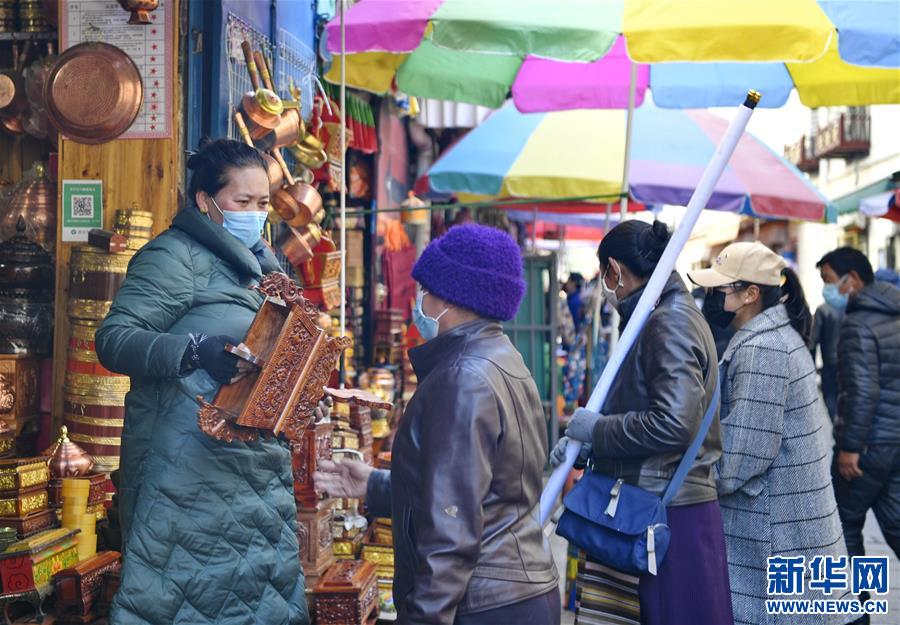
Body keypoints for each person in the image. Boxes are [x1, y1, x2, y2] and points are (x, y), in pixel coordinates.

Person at [96, 139, 308, 625]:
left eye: (262, 204)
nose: (254, 215)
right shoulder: (175, 257)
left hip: (256, 474)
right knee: (180, 602)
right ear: (204, 201)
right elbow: (113, 339)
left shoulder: (262, 269)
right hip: (184, 476)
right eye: (242, 202)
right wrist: (194, 351)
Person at [315, 224, 560, 625]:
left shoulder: (464, 377)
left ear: (450, 296)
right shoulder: (502, 357)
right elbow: (484, 490)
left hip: (483, 602)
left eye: (425, 290)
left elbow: (452, 533)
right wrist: (374, 484)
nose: (420, 300)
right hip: (516, 591)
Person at [551, 220, 733, 625]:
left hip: (667, 513)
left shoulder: (669, 321)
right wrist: (593, 446)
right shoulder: (658, 315)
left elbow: (673, 423)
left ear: (613, 270)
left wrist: (596, 431)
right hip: (653, 505)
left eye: (604, 275)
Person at [690, 242, 855, 625]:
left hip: (775, 536)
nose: (712, 297)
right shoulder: (774, 335)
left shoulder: (763, 349)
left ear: (750, 295)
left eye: (721, 289)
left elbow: (738, 460)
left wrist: (685, 474)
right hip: (788, 532)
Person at [817, 247, 900, 560]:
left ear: (851, 279)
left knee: (842, 527)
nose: (828, 290)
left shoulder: (857, 324)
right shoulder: (894, 314)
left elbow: (861, 390)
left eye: (829, 280)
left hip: (867, 446)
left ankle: (854, 608)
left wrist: (850, 447)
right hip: (893, 441)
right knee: (895, 523)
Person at [811, 300, 844, 422]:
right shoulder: (853, 307)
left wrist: (811, 369)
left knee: (831, 397)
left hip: (830, 363)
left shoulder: (823, 310)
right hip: (850, 363)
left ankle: (837, 425)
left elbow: (813, 342)